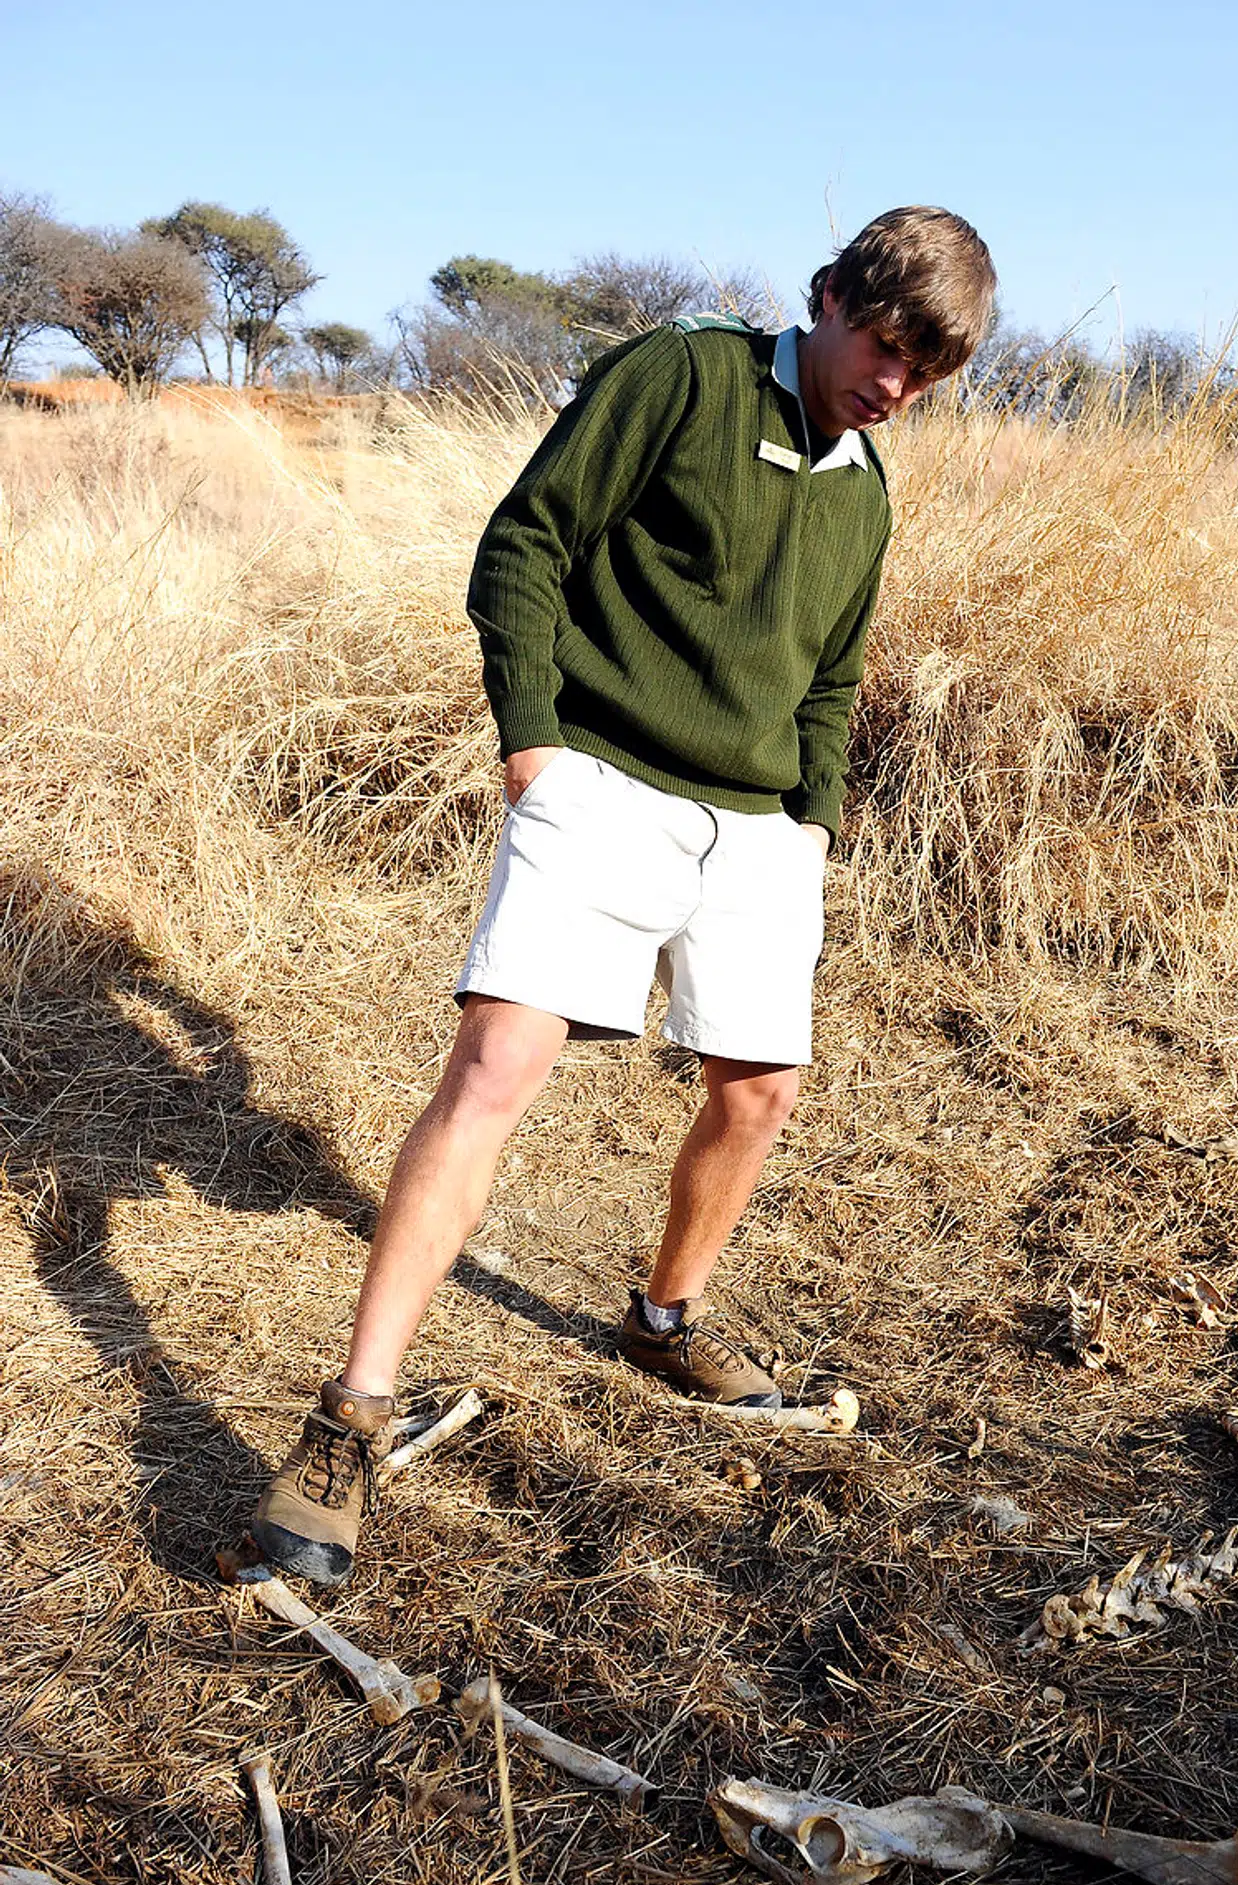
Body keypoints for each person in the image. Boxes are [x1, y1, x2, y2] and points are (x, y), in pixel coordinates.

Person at [252, 204, 996, 1585]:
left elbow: (832, 678)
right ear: (827, 296)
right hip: (599, 776)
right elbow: (528, 539)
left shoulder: (865, 482)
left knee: (759, 1089)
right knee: (498, 1064)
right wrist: (531, 737)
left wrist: (812, 827)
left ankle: (664, 1320)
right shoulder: (685, 375)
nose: (893, 384)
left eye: (924, 373)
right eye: (884, 346)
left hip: (760, 822)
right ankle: (349, 1420)